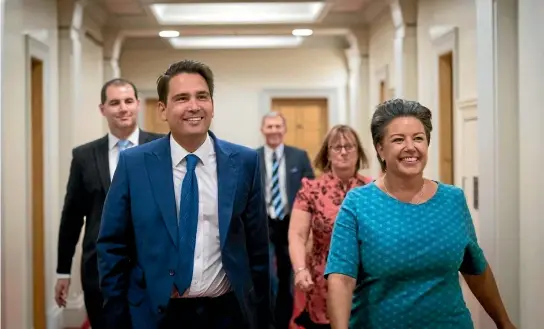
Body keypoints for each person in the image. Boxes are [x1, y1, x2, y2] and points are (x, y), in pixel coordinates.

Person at [97, 59, 272, 329]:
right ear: (163, 110)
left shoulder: (245, 162)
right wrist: (116, 318)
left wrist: (262, 318)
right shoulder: (134, 164)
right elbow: (112, 247)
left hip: (227, 313)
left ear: (212, 105)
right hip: (155, 315)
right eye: (181, 98)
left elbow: (257, 249)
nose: (194, 106)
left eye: (202, 96)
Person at [324, 99, 516, 329]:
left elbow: (475, 267)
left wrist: (504, 322)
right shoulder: (358, 204)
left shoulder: (452, 199)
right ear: (380, 149)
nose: (410, 147)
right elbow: (341, 280)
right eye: (398, 140)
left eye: (418, 138)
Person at [54, 78, 163, 328]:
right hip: (100, 270)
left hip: (152, 266)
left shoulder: (162, 148)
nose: (123, 108)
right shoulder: (83, 156)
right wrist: (63, 271)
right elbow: (71, 218)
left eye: (128, 101)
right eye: (114, 103)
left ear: (137, 104)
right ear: (102, 109)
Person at [288, 125, 372, 329]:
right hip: (323, 280)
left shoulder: (373, 189)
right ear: (328, 152)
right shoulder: (311, 189)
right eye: (337, 147)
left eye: (349, 146)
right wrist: (300, 270)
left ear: (358, 152)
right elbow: (297, 234)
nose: (343, 152)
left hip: (366, 280)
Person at [257, 111, 314, 329]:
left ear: (284, 129)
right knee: (267, 277)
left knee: (286, 279)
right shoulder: (253, 157)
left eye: (277, 126)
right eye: (269, 126)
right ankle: (266, 322)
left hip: (290, 224)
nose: (274, 131)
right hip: (263, 224)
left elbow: (310, 191)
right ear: (262, 130)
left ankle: (283, 322)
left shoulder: (299, 156)